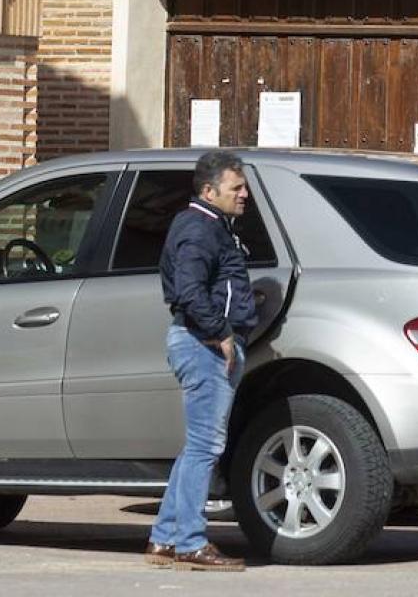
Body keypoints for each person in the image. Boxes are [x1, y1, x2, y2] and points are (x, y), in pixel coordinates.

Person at [146, 149, 260, 571]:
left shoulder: (208, 225)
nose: (245, 194)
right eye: (237, 187)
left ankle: (164, 538)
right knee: (205, 447)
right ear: (210, 192)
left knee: (196, 446)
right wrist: (222, 333)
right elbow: (190, 290)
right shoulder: (200, 229)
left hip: (198, 341)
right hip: (202, 344)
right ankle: (191, 543)